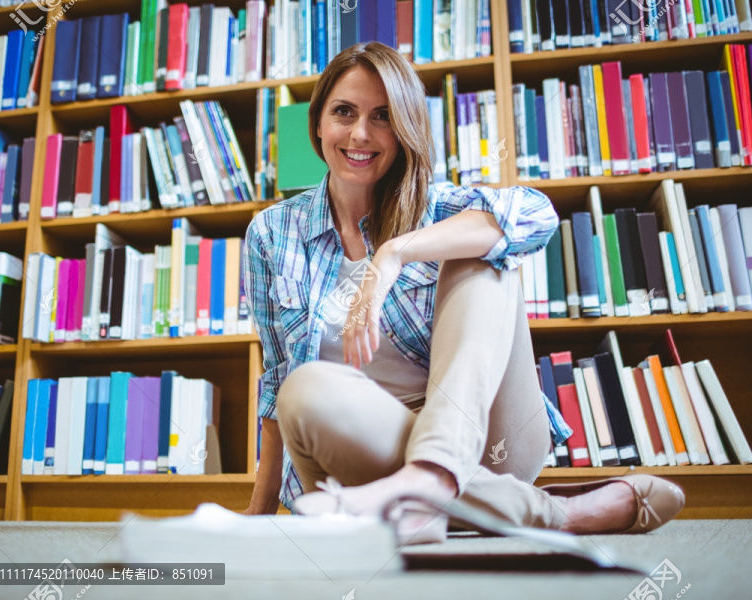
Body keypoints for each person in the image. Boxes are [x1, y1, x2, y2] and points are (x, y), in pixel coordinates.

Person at [240, 41, 684, 544]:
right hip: (363, 450)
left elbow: (536, 215)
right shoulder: (271, 234)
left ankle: (432, 476)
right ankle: (544, 512)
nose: (360, 133)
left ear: (405, 128)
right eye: (344, 112)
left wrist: (394, 255)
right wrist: (259, 510)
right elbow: (275, 386)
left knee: (483, 248)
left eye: (383, 116)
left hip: (486, 438)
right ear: (317, 122)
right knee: (302, 386)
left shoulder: (438, 207)